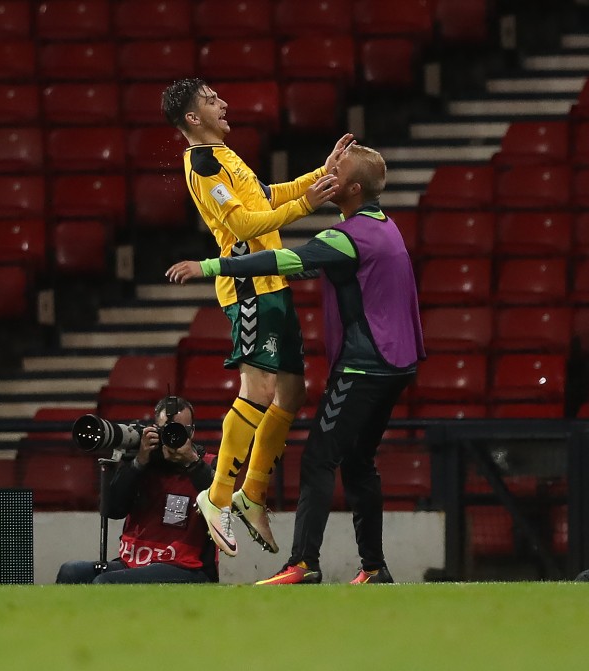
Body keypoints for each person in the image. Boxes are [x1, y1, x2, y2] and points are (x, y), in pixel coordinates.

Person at [166, 143, 426, 584]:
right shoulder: (385, 227)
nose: (329, 173)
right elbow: (306, 266)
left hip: (364, 366)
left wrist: (210, 266)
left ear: (353, 188)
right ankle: (374, 567)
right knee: (359, 462)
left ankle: (303, 563)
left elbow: (284, 260)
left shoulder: (347, 237)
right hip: (398, 364)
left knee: (318, 461)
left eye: (337, 171)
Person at [161, 78, 348, 557]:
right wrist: (308, 205)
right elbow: (242, 224)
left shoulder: (223, 154)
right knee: (259, 390)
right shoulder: (202, 163)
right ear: (192, 119)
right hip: (248, 289)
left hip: (272, 285)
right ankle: (217, 496)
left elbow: (266, 196)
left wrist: (317, 177)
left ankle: (252, 493)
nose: (223, 102)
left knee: (292, 391)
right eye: (210, 99)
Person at [56, 397, 219, 584]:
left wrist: (191, 461)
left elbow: (222, 502)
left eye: (180, 431)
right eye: (165, 431)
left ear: (192, 432)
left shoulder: (208, 463)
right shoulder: (142, 460)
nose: (172, 437)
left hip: (185, 566)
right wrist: (138, 464)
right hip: (134, 562)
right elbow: (112, 510)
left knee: (105, 582)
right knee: (71, 572)